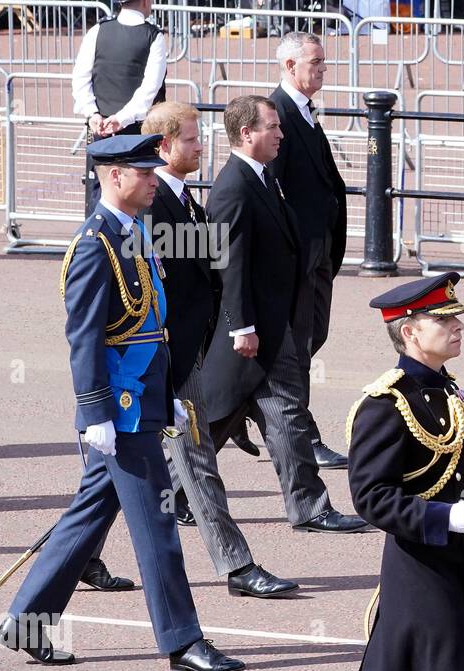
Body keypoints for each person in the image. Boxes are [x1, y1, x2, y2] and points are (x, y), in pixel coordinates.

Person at [0, 134, 243, 671]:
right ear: (114, 177)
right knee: (157, 526)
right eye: (145, 173)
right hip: (119, 412)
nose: (156, 180)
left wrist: (169, 395)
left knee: (88, 516)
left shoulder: (133, 233)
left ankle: (26, 618)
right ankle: (182, 641)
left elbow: (151, 327)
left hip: (142, 400)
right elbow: (84, 338)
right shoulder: (94, 244)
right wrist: (95, 413)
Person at [145, 101, 301, 596]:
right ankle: (236, 566)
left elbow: (214, 271)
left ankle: (83, 550)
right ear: (164, 146)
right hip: (166, 359)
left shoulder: (186, 199)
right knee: (195, 461)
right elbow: (152, 289)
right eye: (191, 140)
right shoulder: (153, 205)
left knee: (127, 475)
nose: (201, 145)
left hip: (191, 354)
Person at [199, 95, 368, 534]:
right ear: (246, 134)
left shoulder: (260, 177)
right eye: (272, 127)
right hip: (258, 331)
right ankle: (307, 506)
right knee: (274, 415)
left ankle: (177, 489)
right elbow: (229, 265)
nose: (280, 134)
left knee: (244, 417)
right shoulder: (233, 187)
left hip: (274, 325)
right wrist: (244, 327)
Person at [345, 273, 464, 671]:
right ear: (409, 331)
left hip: (451, 561)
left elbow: (458, 475)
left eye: (456, 318)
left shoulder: (447, 390)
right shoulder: (386, 403)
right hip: (420, 570)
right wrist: (444, 518)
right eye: (443, 319)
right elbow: (370, 496)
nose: (457, 326)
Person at [269, 31, 350, 470]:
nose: (321, 69)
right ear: (290, 66)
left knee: (311, 337)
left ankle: (262, 408)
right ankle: (302, 435)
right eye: (314, 62)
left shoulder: (302, 110)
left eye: (323, 62)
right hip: (298, 255)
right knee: (296, 347)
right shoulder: (276, 113)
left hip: (318, 252)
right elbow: (271, 190)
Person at [71, 0, 167, 217]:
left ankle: (97, 245)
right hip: (136, 132)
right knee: (139, 193)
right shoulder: (154, 36)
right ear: (145, 1)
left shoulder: (98, 30)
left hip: (99, 129)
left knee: (99, 190)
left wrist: (92, 113)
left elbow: (80, 78)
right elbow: (150, 88)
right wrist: (122, 118)